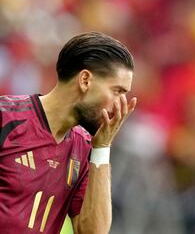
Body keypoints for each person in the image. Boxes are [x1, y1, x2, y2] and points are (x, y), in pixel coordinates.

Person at [0, 32, 137, 234]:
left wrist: (102, 149)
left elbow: (92, 232)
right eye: (117, 91)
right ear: (85, 80)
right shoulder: (6, 119)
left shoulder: (84, 147)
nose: (120, 106)